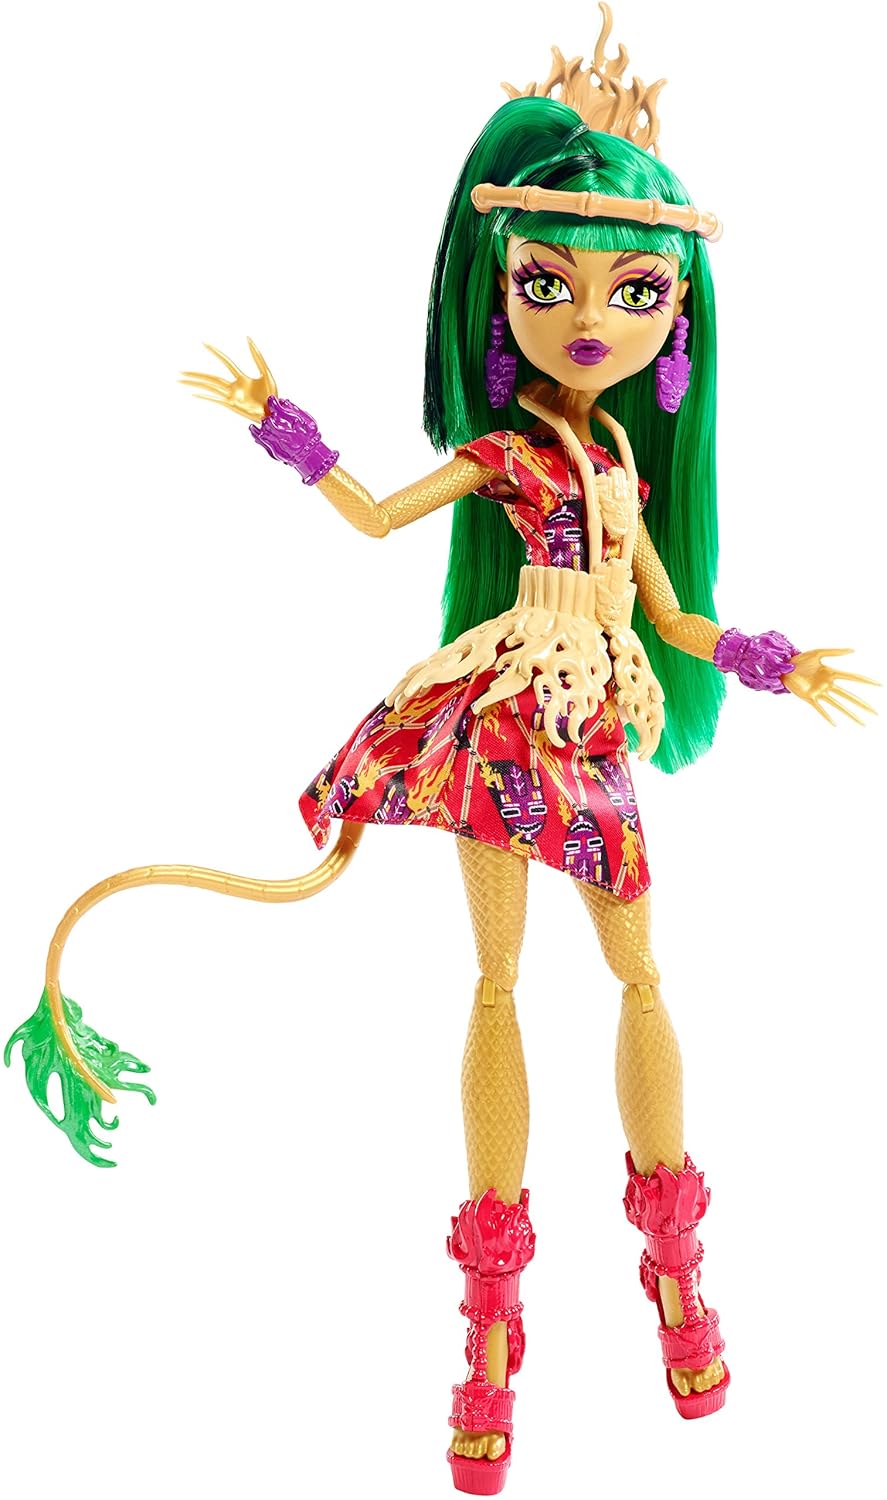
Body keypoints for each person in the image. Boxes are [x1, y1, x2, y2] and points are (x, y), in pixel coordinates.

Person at [8, 8, 875, 1494]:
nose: (592, 318)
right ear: (497, 290)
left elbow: (669, 612)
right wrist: (288, 429)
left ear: (677, 319)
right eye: (548, 283)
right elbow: (373, 518)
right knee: (499, 982)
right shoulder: (506, 455)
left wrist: (763, 660)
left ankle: (674, 1263)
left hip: (593, 723)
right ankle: (491, 1318)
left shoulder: (621, 459)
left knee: (639, 976)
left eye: (635, 290)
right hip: (508, 717)